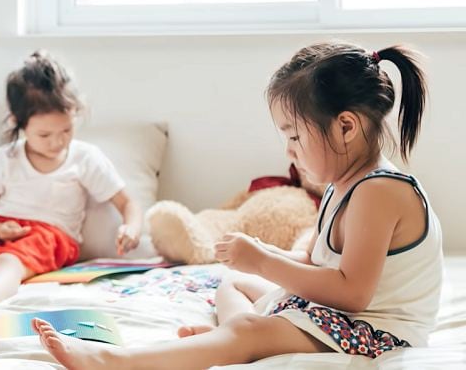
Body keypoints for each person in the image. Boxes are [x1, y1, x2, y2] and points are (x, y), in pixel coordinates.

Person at [33, 42, 443, 369]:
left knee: (249, 326)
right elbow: (317, 266)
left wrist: (265, 262)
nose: (289, 150)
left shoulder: (380, 191)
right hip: (342, 316)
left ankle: (114, 361)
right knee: (233, 283)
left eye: (295, 137)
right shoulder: (343, 184)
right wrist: (262, 257)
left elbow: (352, 293)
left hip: (378, 330)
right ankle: (233, 342)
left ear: (346, 126)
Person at [0, 51, 143, 306]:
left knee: (8, 260)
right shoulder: (6, 158)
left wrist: (131, 227)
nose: (58, 142)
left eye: (67, 130)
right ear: (18, 123)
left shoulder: (85, 158)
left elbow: (127, 203)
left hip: (48, 238)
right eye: (44, 135)